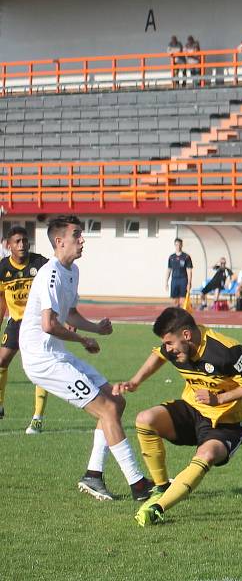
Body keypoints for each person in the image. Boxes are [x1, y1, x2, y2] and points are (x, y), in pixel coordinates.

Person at [19, 215, 153, 501]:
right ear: (60, 241)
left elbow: (69, 314)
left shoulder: (72, 271)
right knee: (106, 408)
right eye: (77, 235)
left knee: (116, 401)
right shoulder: (50, 273)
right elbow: (48, 324)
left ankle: (93, 475)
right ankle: (138, 484)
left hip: (55, 353)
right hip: (41, 359)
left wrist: (96, 329)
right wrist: (83, 339)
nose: (82, 240)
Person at [115, 308, 242, 526]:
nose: (168, 349)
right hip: (192, 409)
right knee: (145, 419)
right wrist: (135, 381)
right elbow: (158, 354)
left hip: (224, 422)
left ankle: (159, 507)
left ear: (186, 335)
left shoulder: (227, 351)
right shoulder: (176, 347)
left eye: (169, 343)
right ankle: (162, 487)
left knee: (207, 453)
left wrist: (219, 400)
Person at [0, 226, 50, 432]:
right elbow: (2, 299)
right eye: (18, 241)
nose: (22, 245)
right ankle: (0, 404)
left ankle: (37, 418)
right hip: (16, 322)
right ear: (9, 245)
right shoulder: (3, 268)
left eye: (25, 241)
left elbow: (55, 288)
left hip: (38, 323)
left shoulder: (41, 264)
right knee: (1, 361)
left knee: (40, 368)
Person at [166, 238, 193, 307]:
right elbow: (169, 269)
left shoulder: (186, 257)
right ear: (174, 245)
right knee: (174, 300)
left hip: (183, 279)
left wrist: (189, 283)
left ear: (182, 245)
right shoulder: (171, 257)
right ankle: (176, 314)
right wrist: (166, 281)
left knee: (182, 300)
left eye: (179, 245)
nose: (178, 246)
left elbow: (189, 270)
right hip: (174, 280)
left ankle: (182, 314)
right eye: (176, 245)